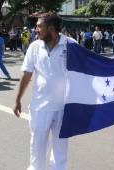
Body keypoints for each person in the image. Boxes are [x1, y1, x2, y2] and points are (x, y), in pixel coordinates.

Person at [13, 13, 74, 169]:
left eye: (39, 26)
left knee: (60, 150)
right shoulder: (34, 47)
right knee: (37, 148)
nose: (36, 29)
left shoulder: (71, 45)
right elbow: (26, 74)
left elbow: (85, 70)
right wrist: (18, 99)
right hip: (40, 107)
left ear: (51, 28)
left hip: (64, 108)